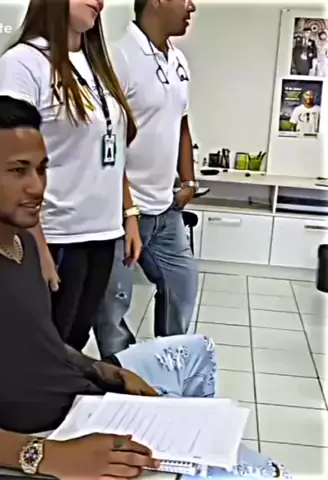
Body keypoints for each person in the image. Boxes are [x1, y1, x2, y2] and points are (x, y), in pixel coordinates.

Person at [0, 95, 289, 479]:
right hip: (54, 433)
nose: (37, 187)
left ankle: (190, 449)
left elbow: (44, 345)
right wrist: (50, 456)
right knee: (267, 474)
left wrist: (107, 372)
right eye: (18, 171)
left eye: (42, 169)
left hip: (87, 402)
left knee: (196, 350)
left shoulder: (22, 245)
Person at [0, 0, 142, 352]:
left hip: (102, 235)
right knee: (44, 350)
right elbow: (9, 166)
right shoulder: (22, 64)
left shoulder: (95, 63)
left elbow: (110, 148)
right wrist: (37, 247)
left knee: (74, 344)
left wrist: (129, 213)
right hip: (56, 236)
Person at [94, 0, 199, 357]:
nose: (191, 7)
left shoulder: (177, 60)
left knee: (181, 286)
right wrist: (128, 211)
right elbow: (106, 141)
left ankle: (165, 366)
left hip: (165, 208)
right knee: (113, 307)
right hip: (120, 212)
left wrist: (188, 181)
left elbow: (181, 123)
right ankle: (123, 374)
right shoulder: (118, 58)